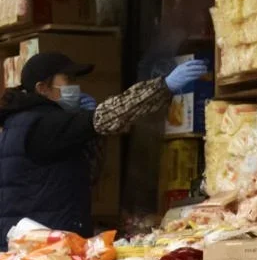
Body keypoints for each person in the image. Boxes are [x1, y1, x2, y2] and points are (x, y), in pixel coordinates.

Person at [0, 51, 209, 241]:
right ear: (42, 88)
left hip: (33, 240)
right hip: (42, 245)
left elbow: (88, 172)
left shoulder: (21, 122)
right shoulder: (44, 125)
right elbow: (111, 115)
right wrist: (163, 87)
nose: (75, 87)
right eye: (68, 79)